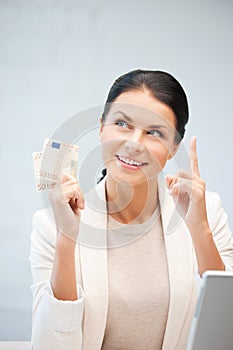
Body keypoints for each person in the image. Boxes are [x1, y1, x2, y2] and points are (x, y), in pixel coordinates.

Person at [29, 69, 233, 350]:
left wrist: (199, 229)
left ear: (174, 148)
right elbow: (50, 345)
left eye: (154, 132)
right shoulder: (51, 224)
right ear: (102, 127)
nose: (134, 143)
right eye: (122, 123)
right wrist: (67, 239)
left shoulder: (206, 211)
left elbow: (225, 332)